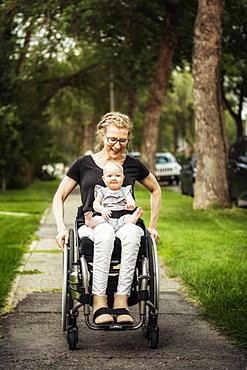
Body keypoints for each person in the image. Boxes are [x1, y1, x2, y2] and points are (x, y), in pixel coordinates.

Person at [53, 111, 161, 326]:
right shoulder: (83, 164)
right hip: (93, 224)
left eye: (123, 140)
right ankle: (99, 302)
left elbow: (155, 190)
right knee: (104, 233)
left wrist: (153, 225)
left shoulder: (132, 164)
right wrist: (61, 228)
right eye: (113, 139)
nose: (118, 145)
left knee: (132, 234)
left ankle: (121, 302)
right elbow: (60, 196)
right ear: (102, 135)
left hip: (124, 223)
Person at [84, 160, 144, 231]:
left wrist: (131, 205)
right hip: (106, 215)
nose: (114, 178)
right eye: (109, 176)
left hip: (122, 214)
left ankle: (133, 218)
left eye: (118, 176)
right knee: (98, 220)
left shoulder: (125, 190)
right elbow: (96, 203)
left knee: (127, 219)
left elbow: (130, 199)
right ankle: (90, 221)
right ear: (104, 179)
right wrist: (102, 209)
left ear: (123, 178)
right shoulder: (102, 191)